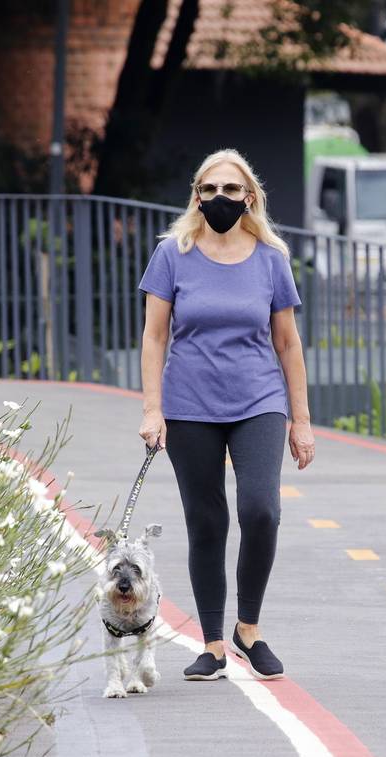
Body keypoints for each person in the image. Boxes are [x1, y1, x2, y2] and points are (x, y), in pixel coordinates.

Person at [136, 148, 315, 681]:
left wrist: (300, 421)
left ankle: (249, 628)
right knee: (207, 520)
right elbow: (154, 336)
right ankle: (213, 643)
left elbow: (288, 343)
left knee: (262, 510)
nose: (220, 199)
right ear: (197, 196)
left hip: (259, 400)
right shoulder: (172, 254)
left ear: (250, 198)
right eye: (209, 190)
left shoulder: (270, 259)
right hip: (190, 405)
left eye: (231, 190)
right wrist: (153, 409)